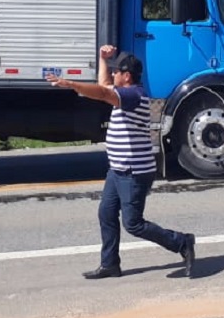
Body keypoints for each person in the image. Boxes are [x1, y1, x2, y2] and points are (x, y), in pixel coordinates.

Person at [47, 45, 196, 279]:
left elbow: (103, 92)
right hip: (117, 171)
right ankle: (109, 264)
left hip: (134, 172)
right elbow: (105, 87)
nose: (113, 75)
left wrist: (72, 85)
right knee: (106, 214)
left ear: (127, 76)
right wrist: (102, 59)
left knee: (133, 223)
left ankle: (182, 242)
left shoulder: (134, 95)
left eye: (116, 72)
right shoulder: (123, 94)